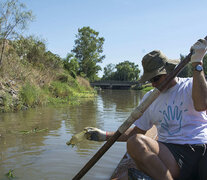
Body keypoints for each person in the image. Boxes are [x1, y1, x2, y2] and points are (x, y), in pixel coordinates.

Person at [84, 38, 207, 180]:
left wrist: (197, 63)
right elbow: (137, 132)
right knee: (134, 144)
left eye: (156, 79)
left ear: (169, 71)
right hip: (170, 155)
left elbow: (201, 105)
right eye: (150, 80)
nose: (153, 84)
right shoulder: (150, 98)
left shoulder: (192, 84)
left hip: (202, 147)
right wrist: (104, 135)